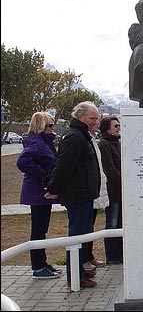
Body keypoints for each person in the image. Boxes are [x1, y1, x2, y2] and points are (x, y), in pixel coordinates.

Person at [45, 101, 102, 289]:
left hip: (85, 194)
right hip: (77, 195)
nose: (96, 122)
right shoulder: (74, 137)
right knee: (76, 238)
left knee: (83, 236)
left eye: (97, 118)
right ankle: (74, 277)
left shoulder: (82, 135)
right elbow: (64, 166)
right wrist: (54, 189)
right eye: (92, 118)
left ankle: (80, 271)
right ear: (80, 117)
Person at [16, 112, 62, 279]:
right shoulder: (36, 143)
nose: (53, 129)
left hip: (43, 192)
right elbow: (22, 162)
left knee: (42, 230)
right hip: (38, 193)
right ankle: (38, 267)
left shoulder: (45, 143)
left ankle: (43, 263)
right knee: (38, 231)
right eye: (50, 125)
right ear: (42, 127)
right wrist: (44, 176)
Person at [98, 116, 124, 265]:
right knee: (112, 223)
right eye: (115, 126)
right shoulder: (104, 144)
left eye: (119, 125)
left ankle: (120, 253)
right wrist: (123, 181)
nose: (118, 128)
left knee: (120, 224)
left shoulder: (118, 143)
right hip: (113, 191)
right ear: (107, 128)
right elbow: (109, 168)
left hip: (121, 191)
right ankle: (112, 256)